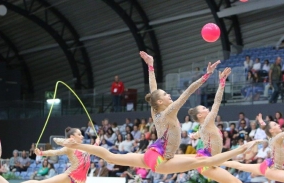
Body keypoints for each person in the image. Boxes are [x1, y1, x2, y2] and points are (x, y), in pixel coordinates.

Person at [55, 52, 260, 175]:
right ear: (162, 102)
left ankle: (75, 144)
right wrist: (206, 75)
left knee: (112, 156)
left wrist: (151, 66)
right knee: (204, 161)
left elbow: (154, 91)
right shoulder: (169, 111)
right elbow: (188, 91)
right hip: (160, 158)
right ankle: (243, 148)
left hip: (153, 154)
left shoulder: (157, 111)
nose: (170, 94)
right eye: (166, 94)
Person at [188, 67, 283, 183]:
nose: (206, 109)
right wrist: (221, 83)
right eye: (203, 109)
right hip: (206, 163)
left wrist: (193, 135)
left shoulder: (203, 127)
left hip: (210, 161)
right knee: (235, 182)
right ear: (200, 116)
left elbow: (197, 134)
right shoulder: (207, 122)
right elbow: (216, 103)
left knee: (236, 182)